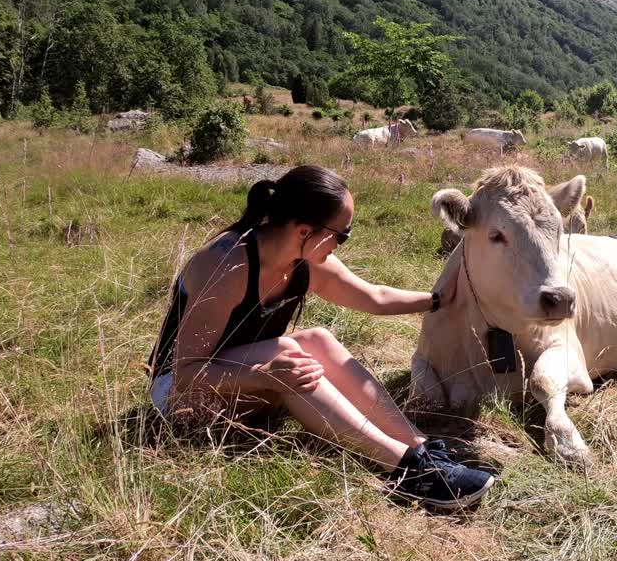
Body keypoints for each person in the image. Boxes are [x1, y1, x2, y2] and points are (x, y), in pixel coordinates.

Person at [147, 165, 493, 509]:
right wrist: (262, 376)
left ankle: (420, 448)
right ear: (303, 230)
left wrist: (436, 300)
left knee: (317, 339)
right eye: (342, 234)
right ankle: (409, 471)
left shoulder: (304, 258)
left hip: (238, 379)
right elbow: (185, 371)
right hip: (179, 397)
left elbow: (374, 297)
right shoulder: (227, 264)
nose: (341, 244)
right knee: (290, 355)